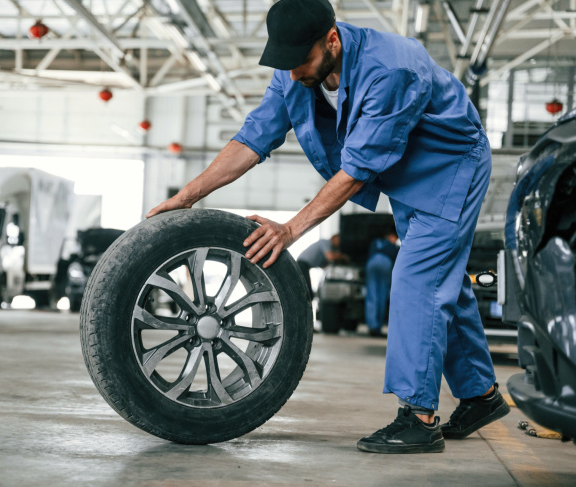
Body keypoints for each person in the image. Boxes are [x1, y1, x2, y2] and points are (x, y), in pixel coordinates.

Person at [146, 0, 510, 454]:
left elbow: (357, 169)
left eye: (302, 64)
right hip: (404, 173)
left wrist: (291, 229)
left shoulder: (392, 67)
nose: (295, 75)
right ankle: (480, 396)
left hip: (450, 167)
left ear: (332, 40)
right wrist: (186, 196)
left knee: (418, 281)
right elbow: (252, 137)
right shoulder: (294, 66)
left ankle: (419, 416)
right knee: (444, 286)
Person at [364, 229, 398, 337]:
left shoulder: (375, 242)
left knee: (372, 295)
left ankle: (372, 325)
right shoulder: (394, 247)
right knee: (382, 296)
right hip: (385, 263)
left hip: (372, 262)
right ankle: (377, 327)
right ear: (390, 236)